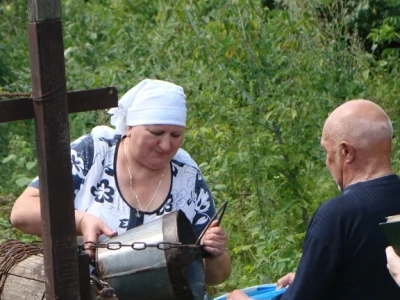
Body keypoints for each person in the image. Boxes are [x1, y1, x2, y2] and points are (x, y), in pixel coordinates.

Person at [10, 78, 231, 287]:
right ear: (130, 127)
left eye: (175, 135)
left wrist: (213, 252)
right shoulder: (92, 154)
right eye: (156, 132)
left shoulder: (187, 177)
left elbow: (217, 276)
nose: (166, 145)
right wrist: (80, 221)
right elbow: (21, 213)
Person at [227, 99, 400, 300]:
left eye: (328, 152)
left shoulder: (337, 216)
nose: (327, 162)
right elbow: (372, 279)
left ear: (346, 152)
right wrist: (308, 279)